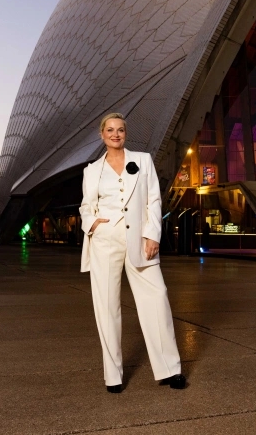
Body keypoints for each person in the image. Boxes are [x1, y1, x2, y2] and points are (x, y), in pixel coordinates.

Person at [79, 112, 186, 393]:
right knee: (106, 307)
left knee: (157, 297)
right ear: (102, 135)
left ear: (126, 134)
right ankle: (113, 375)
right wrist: (92, 225)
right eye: (110, 130)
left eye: (121, 130)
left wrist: (152, 234)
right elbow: (85, 207)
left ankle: (170, 369)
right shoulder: (91, 171)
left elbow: (153, 198)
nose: (116, 134)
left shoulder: (142, 160)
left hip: (140, 240)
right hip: (105, 241)